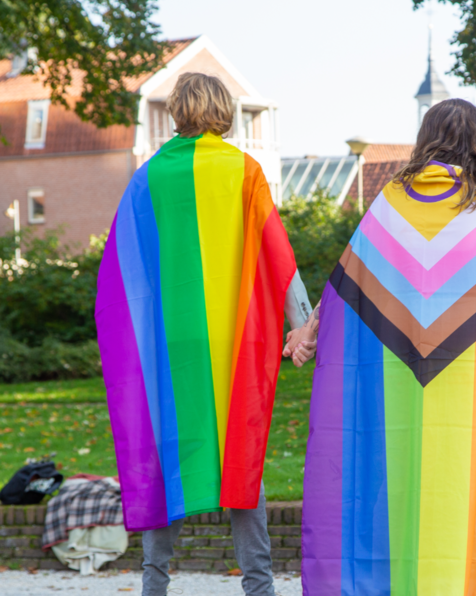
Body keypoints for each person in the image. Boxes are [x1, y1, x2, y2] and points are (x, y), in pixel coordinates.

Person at [287, 98, 476, 595]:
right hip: (472, 404)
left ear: (425, 140)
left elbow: (346, 288)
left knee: (395, 502)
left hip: (396, 402)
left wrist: (310, 330)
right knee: (460, 503)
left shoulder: (387, 208)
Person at [95, 72, 313, 596]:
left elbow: (123, 270)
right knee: (242, 456)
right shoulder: (244, 170)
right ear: (224, 110)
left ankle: (155, 585)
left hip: (173, 350)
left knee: (167, 453)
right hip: (232, 348)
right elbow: (276, 255)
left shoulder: (148, 178)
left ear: (177, 112)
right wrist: (301, 323)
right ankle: (259, 587)